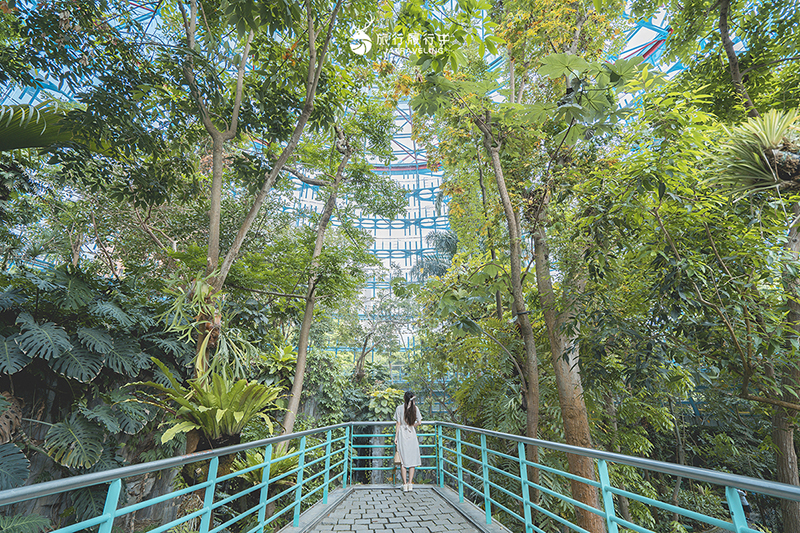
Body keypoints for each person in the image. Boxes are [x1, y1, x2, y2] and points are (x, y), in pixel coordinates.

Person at [394, 390, 422, 492]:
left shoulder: (399, 408)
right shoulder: (415, 409)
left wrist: (396, 437)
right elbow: (419, 422)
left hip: (402, 434)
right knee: (412, 460)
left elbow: (398, 423)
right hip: (411, 433)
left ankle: (404, 485)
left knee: (403, 460)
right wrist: (411, 426)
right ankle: (410, 484)